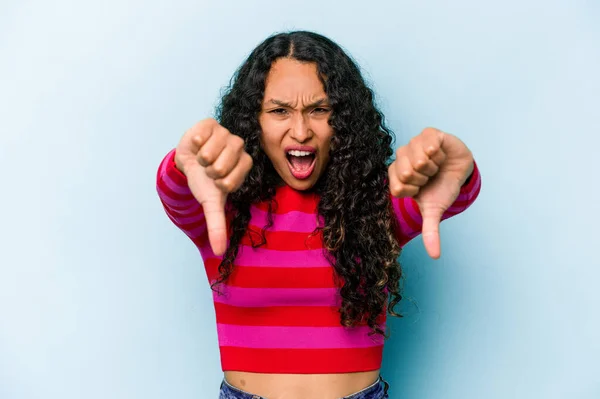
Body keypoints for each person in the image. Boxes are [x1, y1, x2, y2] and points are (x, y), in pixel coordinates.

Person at [156, 31, 481, 399]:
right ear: (254, 121)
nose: (300, 131)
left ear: (343, 120)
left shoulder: (372, 206)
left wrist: (460, 169)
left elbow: (447, 193)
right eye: (279, 111)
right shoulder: (222, 207)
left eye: (319, 110)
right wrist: (183, 164)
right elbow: (177, 190)